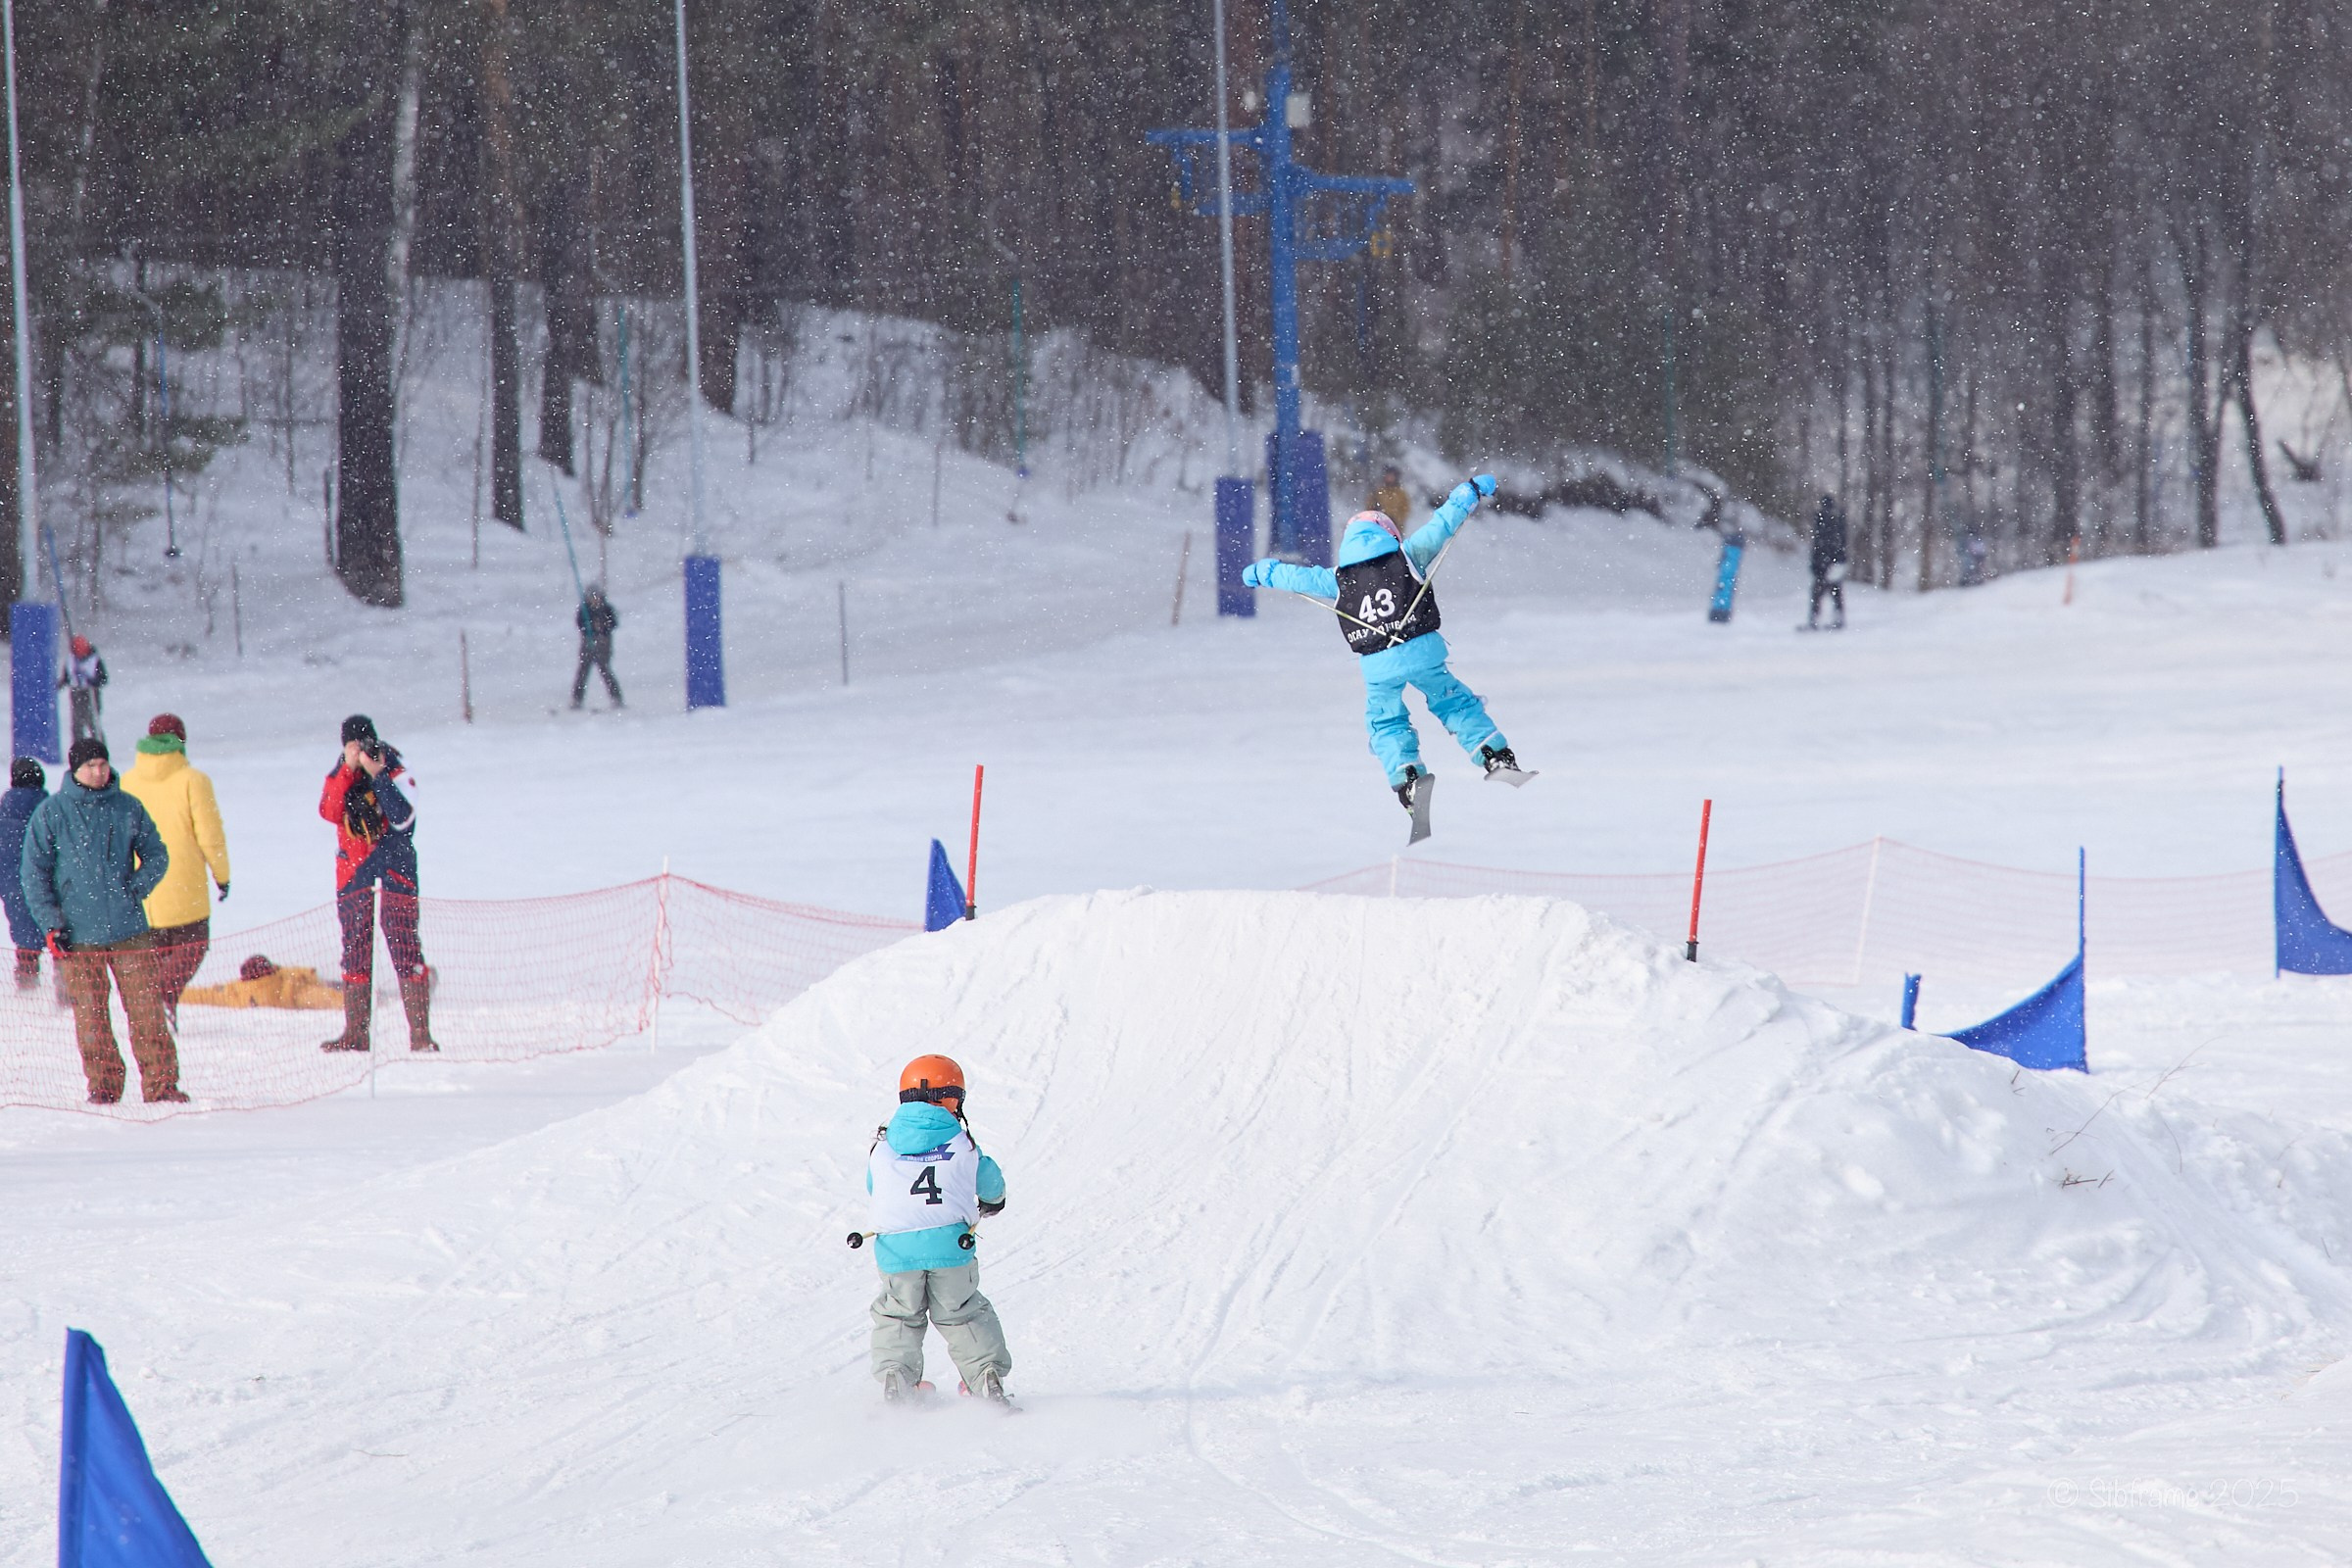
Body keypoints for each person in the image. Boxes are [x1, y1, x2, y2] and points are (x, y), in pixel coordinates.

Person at [1239, 475, 1521, 811]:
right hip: (1420, 649)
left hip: (1378, 664)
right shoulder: (1408, 556)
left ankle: (1408, 777)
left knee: (1386, 721)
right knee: (1454, 702)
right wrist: (1469, 492)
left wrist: (1263, 572)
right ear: (1390, 534)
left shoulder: (1337, 578)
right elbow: (1443, 524)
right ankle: (1493, 754)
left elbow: (1295, 576)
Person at [22, 738, 181, 1104]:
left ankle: (162, 1086)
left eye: (102, 764)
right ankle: (105, 1087)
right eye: (90, 765)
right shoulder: (51, 812)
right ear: (74, 770)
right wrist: (51, 924)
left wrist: (135, 889)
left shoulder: (128, 807)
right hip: (78, 935)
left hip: (130, 930)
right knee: (91, 1020)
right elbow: (34, 875)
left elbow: (156, 854)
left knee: (147, 1014)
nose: (98, 771)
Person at [865, 1054, 1013, 1407]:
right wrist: (992, 1201)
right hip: (951, 1247)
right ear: (953, 1099)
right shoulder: (964, 1146)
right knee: (963, 1313)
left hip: (896, 1251)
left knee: (898, 1314)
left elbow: (876, 1187)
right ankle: (986, 1380)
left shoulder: (882, 1148)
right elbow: (991, 1186)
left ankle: (896, 1382)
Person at [318, 714, 435, 1054]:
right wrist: (347, 769)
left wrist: (378, 775)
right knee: (354, 951)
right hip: (355, 873)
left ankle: (421, 1036)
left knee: (406, 948)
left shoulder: (396, 765)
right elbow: (327, 810)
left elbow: (403, 817)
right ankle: (356, 1033)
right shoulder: (341, 768)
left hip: (396, 872)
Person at [121, 714, 231, 1025]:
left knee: (155, 952)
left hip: (144, 884)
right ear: (180, 742)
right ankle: (163, 997)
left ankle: (154, 1008)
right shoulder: (194, 780)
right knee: (192, 945)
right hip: (185, 883)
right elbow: (210, 836)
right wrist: (222, 876)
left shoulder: (127, 781)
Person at [0, 758, 47, 991]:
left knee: (25, 935)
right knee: (57, 935)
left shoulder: (3, 815)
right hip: (46, 887)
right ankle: (66, 989)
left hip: (13, 888)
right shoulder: (50, 810)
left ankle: (27, 981)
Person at [571, 584, 622, 710]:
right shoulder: (584, 610)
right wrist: (589, 626)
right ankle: (577, 699)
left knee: (605, 670)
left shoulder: (606, 609)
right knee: (583, 672)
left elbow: (613, 623)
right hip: (587, 644)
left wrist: (602, 626)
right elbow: (579, 623)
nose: (594, 599)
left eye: (596, 596)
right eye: (591, 597)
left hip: (603, 644)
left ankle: (616, 698)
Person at [1807, 494, 1849, 630]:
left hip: (1824, 561)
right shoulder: (1837, 518)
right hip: (1832, 561)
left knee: (1819, 592)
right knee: (1835, 591)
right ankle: (1836, 618)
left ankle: (1815, 619)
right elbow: (1841, 541)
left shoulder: (1823, 519)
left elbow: (1819, 543)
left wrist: (1816, 562)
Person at [59, 635, 107, 746]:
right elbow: (67, 676)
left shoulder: (95, 660)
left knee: (93, 722)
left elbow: (103, 678)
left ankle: (99, 746)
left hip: (91, 693)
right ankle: (78, 747)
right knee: (77, 724)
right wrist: (61, 684)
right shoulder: (71, 660)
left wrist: (94, 681)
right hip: (76, 693)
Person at [1368, 464, 1413, 531]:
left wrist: (1395, 519)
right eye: (1387, 475)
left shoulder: (1400, 493)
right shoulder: (1378, 492)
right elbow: (1369, 507)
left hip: (1395, 528)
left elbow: (1405, 510)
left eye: (1391, 475)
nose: (1389, 477)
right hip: (1379, 526)